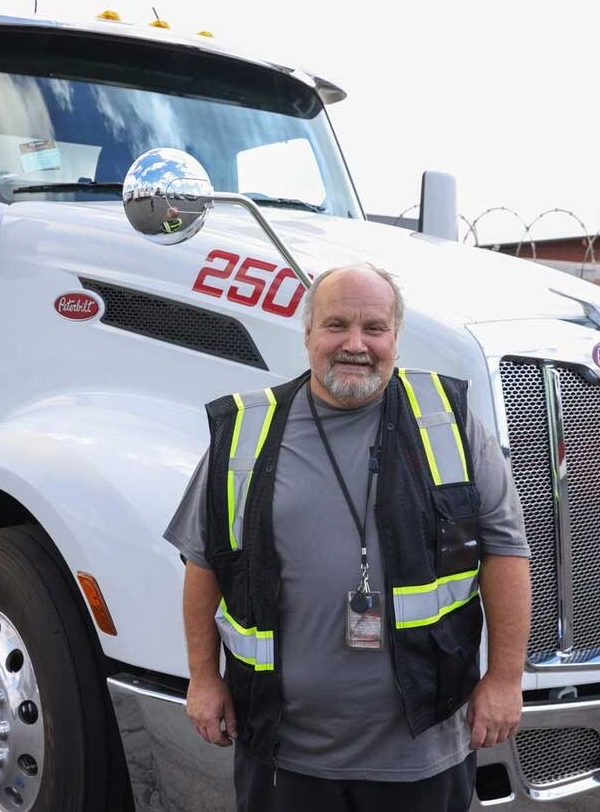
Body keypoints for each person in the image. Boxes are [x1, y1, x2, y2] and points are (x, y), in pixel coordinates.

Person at [164, 264, 531, 812]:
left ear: (396, 339)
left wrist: (505, 680)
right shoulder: (246, 433)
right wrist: (202, 678)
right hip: (283, 753)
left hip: (423, 750)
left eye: (374, 328)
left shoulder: (450, 425)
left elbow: (505, 552)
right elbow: (205, 562)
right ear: (308, 334)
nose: (355, 344)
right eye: (336, 325)